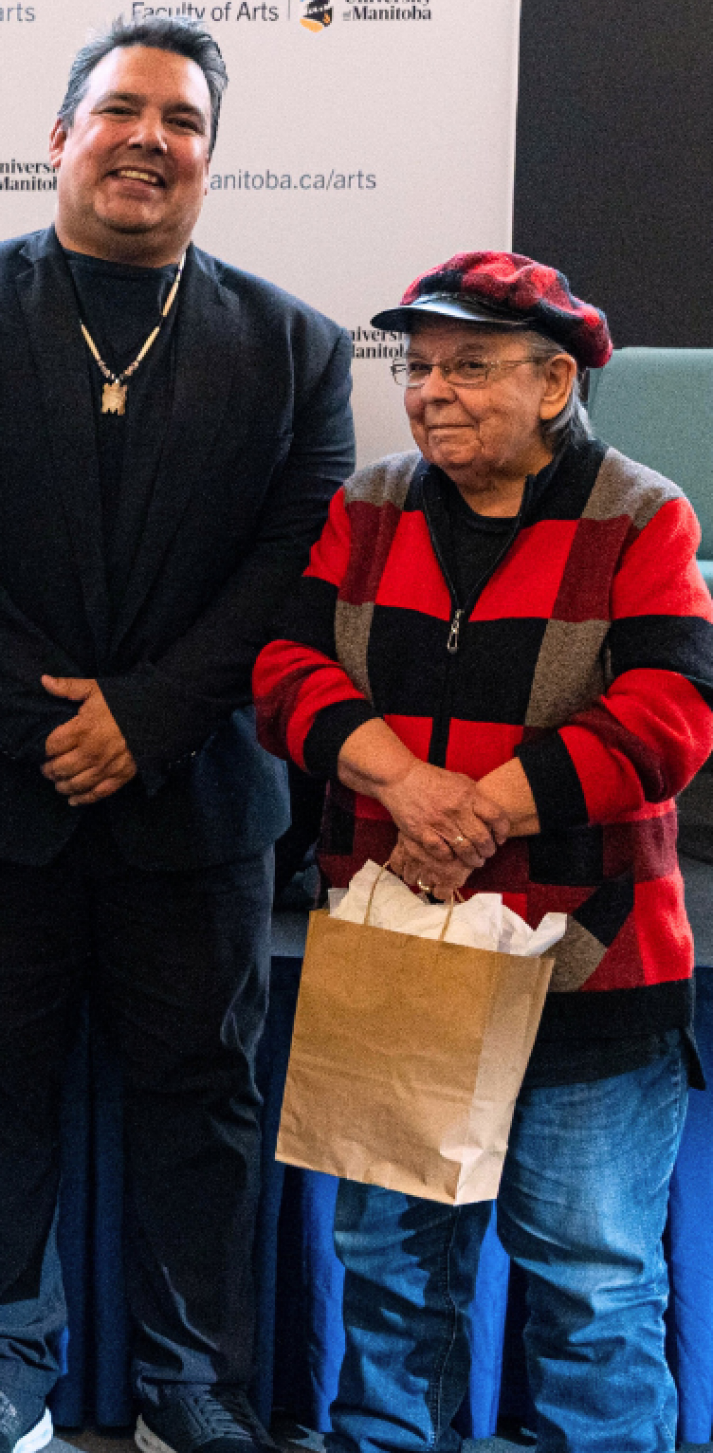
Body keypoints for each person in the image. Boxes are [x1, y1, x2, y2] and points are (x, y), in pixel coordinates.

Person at [0, 10, 353, 1453]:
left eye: (183, 121)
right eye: (123, 109)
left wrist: (143, 719)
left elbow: (290, 564)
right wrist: (46, 721)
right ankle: (6, 1355)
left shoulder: (298, 347)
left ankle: (190, 1375)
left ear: (209, 158)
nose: (151, 138)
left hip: (197, 796)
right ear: (59, 136)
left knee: (201, 1093)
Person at [253, 253, 713, 1453]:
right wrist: (404, 785)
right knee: (391, 1278)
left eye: (468, 367)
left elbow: (670, 716)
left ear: (555, 380)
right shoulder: (367, 507)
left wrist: (482, 810)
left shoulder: (642, 515)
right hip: (403, 952)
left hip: (586, 968)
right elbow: (284, 675)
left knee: (592, 1290)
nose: (429, 393)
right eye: (418, 368)